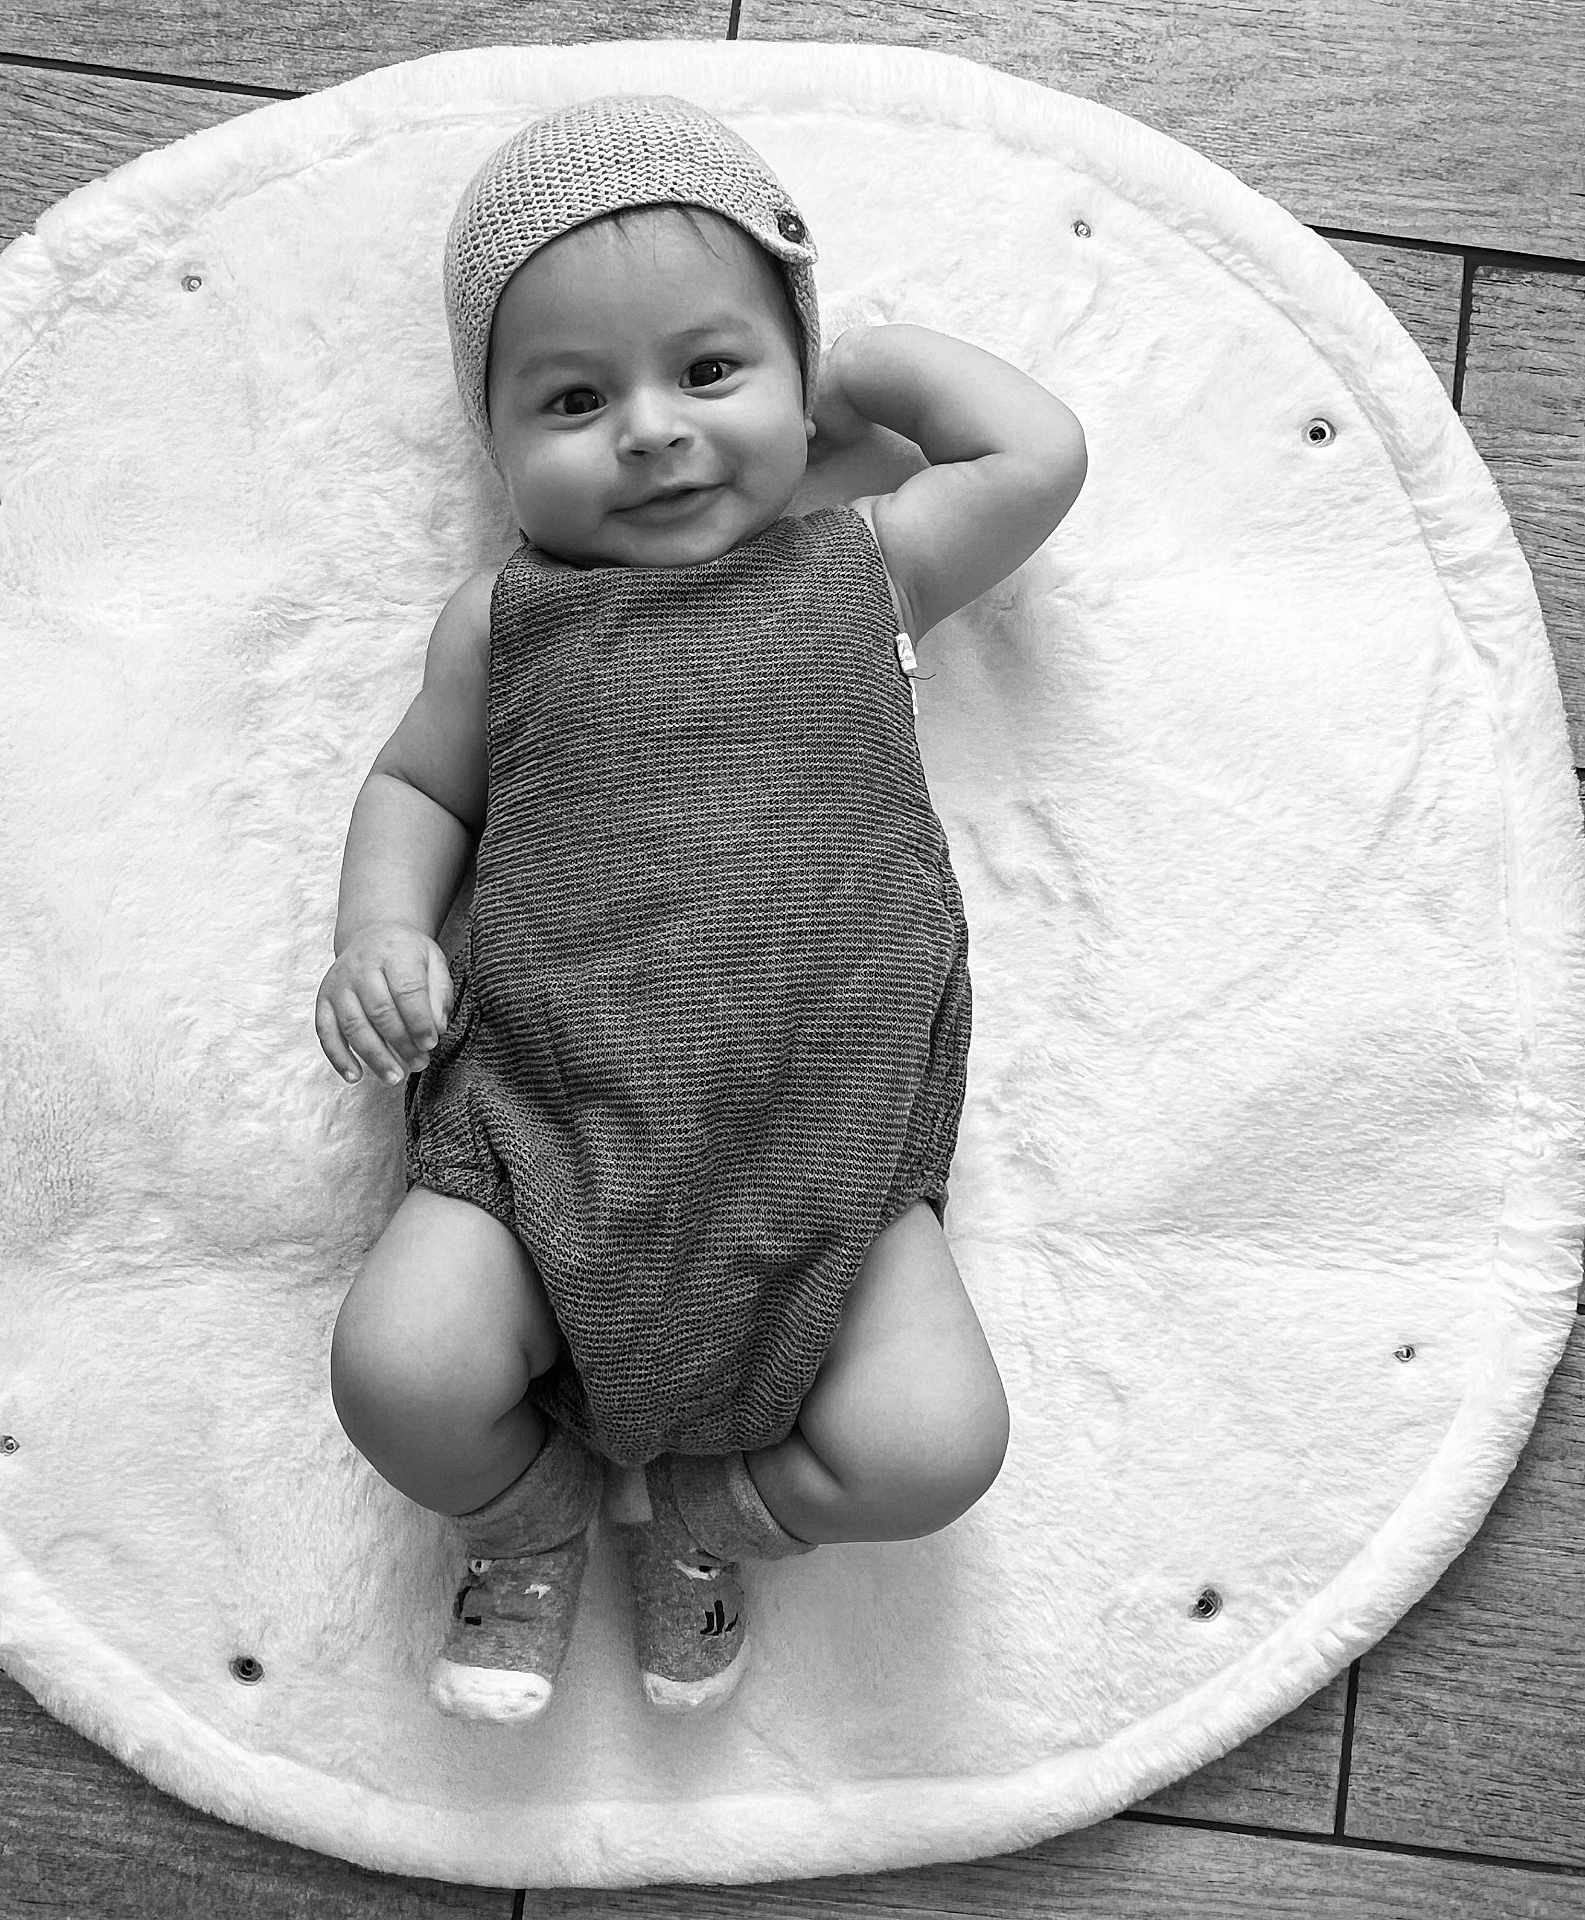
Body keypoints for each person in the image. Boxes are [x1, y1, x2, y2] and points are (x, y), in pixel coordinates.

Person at [316, 93, 1087, 1725]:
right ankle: (524, 1518)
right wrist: (376, 933)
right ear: (497, 441)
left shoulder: (857, 566)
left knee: (938, 1447)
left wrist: (859, 368)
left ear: (794, 387)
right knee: (396, 1372)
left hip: (834, 1158)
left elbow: (1034, 457)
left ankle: (718, 1517)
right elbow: (417, 793)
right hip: (539, 1136)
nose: (652, 431)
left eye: (712, 371)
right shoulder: (503, 619)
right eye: (574, 399)